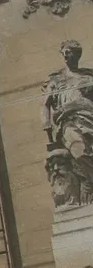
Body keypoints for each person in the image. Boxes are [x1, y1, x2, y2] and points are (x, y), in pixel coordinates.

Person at [43, 39, 93, 207]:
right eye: (64, 52)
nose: (65, 54)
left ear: (76, 55)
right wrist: (46, 122)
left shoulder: (88, 76)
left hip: (88, 118)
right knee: (80, 153)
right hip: (68, 123)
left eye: (69, 51)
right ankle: (88, 184)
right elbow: (45, 104)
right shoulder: (56, 80)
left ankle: (87, 188)